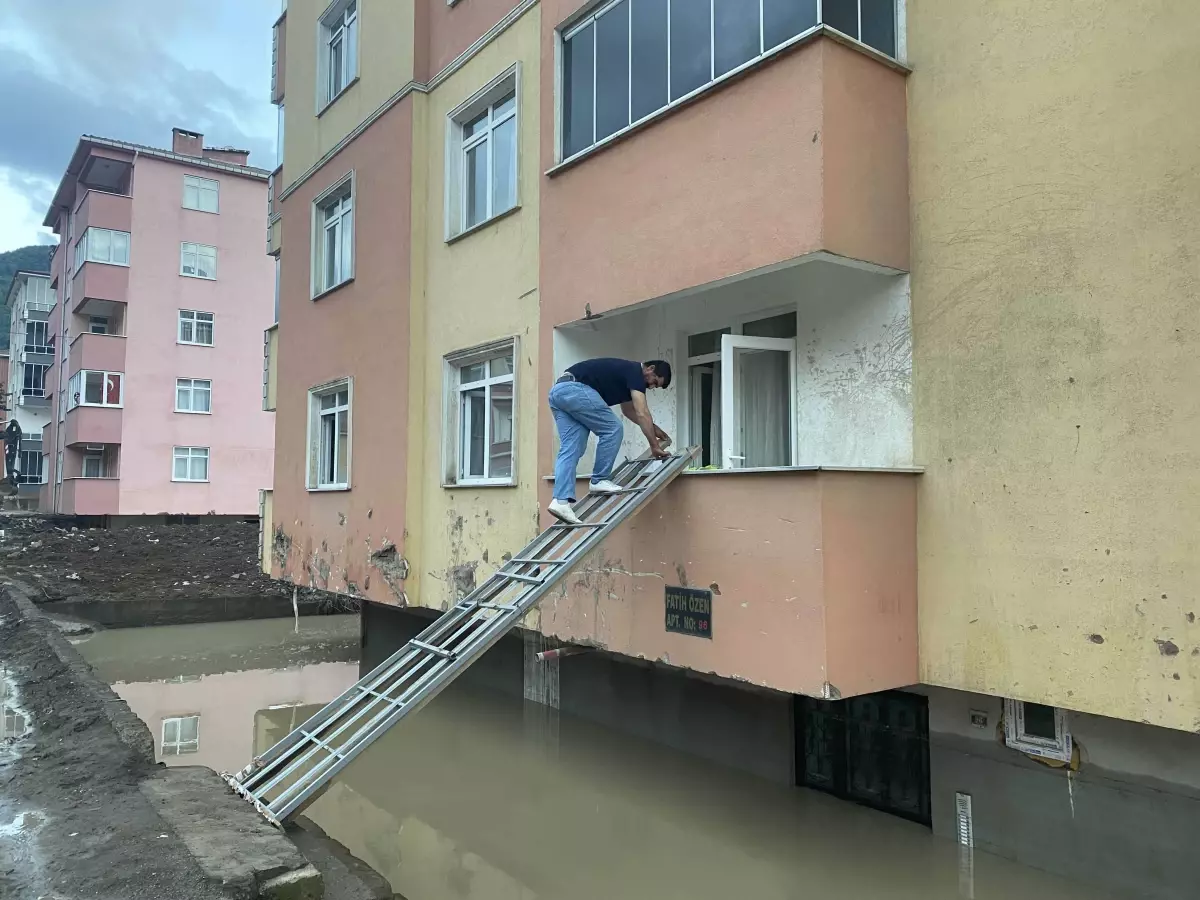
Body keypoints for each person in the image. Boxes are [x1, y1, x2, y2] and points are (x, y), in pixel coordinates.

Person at [547, 358, 672, 525]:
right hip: (575, 388)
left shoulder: (628, 378)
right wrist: (654, 446)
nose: (651, 386)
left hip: (559, 392)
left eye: (655, 386)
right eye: (654, 381)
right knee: (613, 428)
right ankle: (599, 479)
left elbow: (630, 412)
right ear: (650, 369)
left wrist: (656, 430)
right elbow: (642, 412)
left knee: (572, 447)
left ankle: (560, 501)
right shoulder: (635, 372)